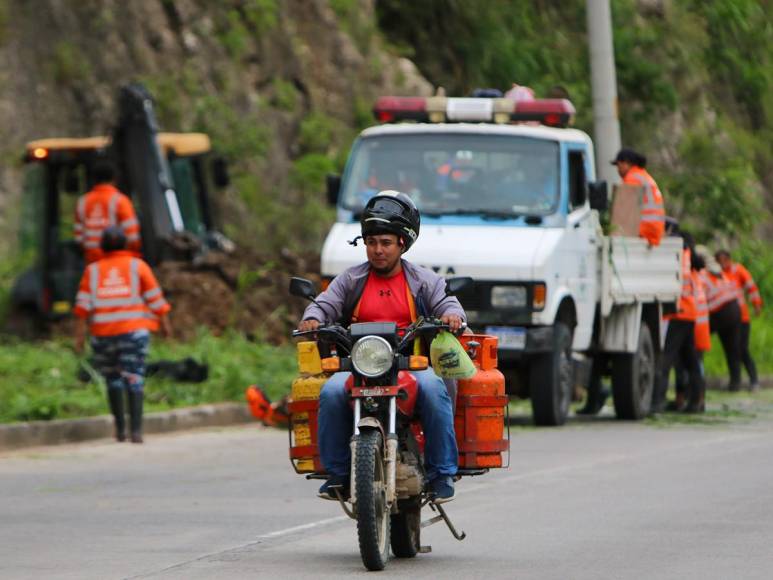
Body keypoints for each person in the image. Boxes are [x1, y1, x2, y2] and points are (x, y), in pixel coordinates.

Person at [297, 191, 464, 503]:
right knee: (331, 391)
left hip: (410, 368)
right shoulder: (351, 280)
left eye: (385, 243)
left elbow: (447, 302)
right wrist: (313, 319)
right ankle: (337, 473)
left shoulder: (422, 280)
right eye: (371, 242)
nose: (378, 250)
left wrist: (452, 316)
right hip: (360, 367)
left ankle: (442, 473)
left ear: (402, 243)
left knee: (435, 388)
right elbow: (324, 305)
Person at [73, 227, 172, 443]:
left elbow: (82, 309)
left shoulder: (93, 271)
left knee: (113, 379)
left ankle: (120, 431)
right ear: (126, 244)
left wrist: (79, 338)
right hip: (134, 334)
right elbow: (156, 299)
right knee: (134, 377)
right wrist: (165, 326)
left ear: (102, 246)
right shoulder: (138, 267)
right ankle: (136, 431)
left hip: (103, 335)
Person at [651, 233, 705, 414]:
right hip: (689, 312)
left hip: (678, 312)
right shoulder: (689, 257)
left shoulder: (677, 254)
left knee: (666, 358)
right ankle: (696, 401)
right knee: (691, 361)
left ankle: (657, 401)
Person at [74, 161, 142, 264]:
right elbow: (133, 238)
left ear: (93, 179)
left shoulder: (82, 202)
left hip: (92, 261)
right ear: (114, 178)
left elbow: (79, 239)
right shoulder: (120, 201)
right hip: (118, 263)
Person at [696, 246, 742, 391]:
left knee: (696, 344)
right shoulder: (718, 272)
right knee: (732, 348)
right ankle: (736, 382)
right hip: (734, 309)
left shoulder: (701, 274)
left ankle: (697, 377)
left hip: (719, 311)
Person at [716, 250, 763, 390]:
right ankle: (734, 382)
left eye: (725, 261)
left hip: (741, 318)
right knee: (730, 350)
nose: (723, 264)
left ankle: (754, 380)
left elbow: (751, 287)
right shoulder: (717, 274)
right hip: (725, 320)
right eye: (720, 262)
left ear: (729, 260)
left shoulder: (738, 270)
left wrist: (756, 304)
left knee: (741, 349)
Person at [611, 149, 665, 247]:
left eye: (618, 166)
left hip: (645, 230)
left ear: (626, 163)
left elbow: (622, 211)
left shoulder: (632, 179)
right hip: (654, 231)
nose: (618, 170)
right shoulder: (643, 176)